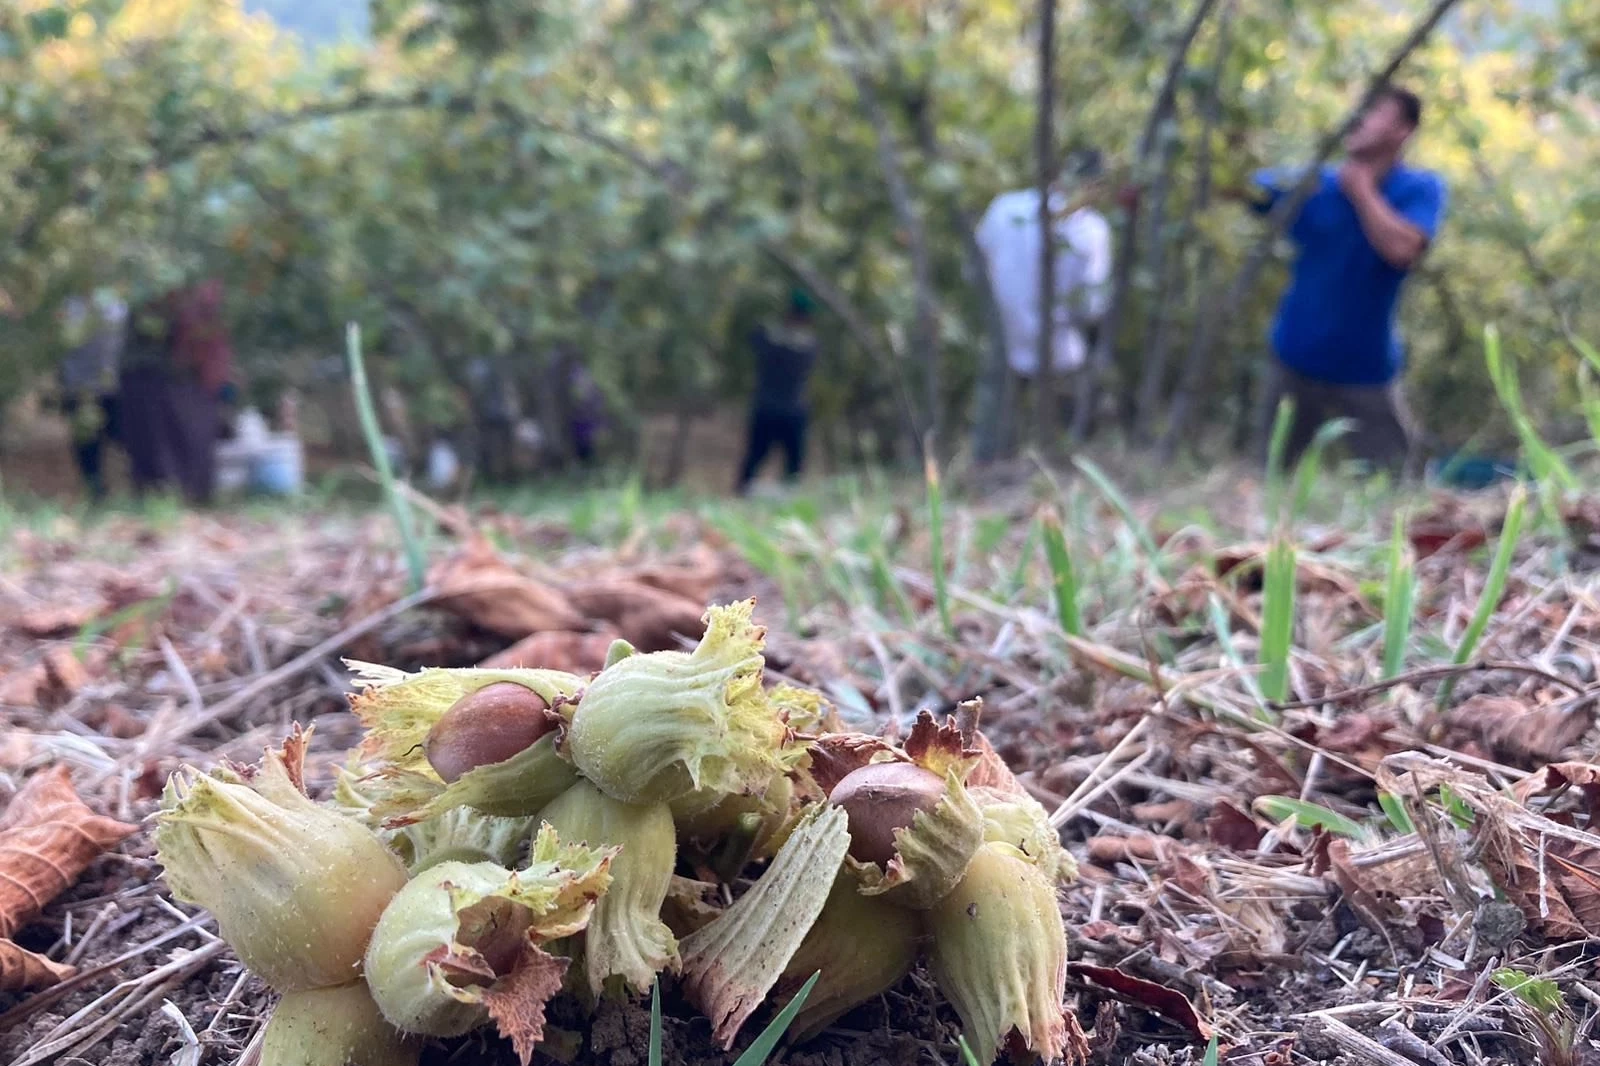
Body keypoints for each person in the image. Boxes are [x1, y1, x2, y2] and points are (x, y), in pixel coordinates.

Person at [1244, 86, 1447, 476]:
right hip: (1295, 358)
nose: (1359, 117)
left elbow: (1404, 250)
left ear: (1402, 131)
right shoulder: (1312, 184)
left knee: (1395, 484)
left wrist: (1362, 192)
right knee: (1273, 477)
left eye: (1374, 110)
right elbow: (1239, 186)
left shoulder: (1421, 188)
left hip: (1368, 368)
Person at [975, 149, 1114, 392]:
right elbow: (1091, 306)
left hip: (1003, 349)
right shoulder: (1092, 230)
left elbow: (976, 270)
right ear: (1094, 186)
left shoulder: (1004, 207)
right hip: (1060, 360)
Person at [117, 280, 237, 505]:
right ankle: (165, 497)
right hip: (154, 377)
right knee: (157, 443)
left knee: (185, 441)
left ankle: (186, 496)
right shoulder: (153, 287)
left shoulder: (198, 291)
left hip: (187, 378)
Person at [736, 289, 818, 495]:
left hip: (780, 409)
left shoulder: (775, 338)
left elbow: (755, 338)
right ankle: (744, 493)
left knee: (787, 463)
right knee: (759, 458)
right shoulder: (807, 344)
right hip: (779, 409)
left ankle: (750, 493)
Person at [57, 291, 128, 502]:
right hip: (79, 387)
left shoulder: (119, 303)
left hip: (114, 386)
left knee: (119, 436)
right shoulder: (69, 305)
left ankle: (125, 487)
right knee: (87, 443)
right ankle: (94, 488)